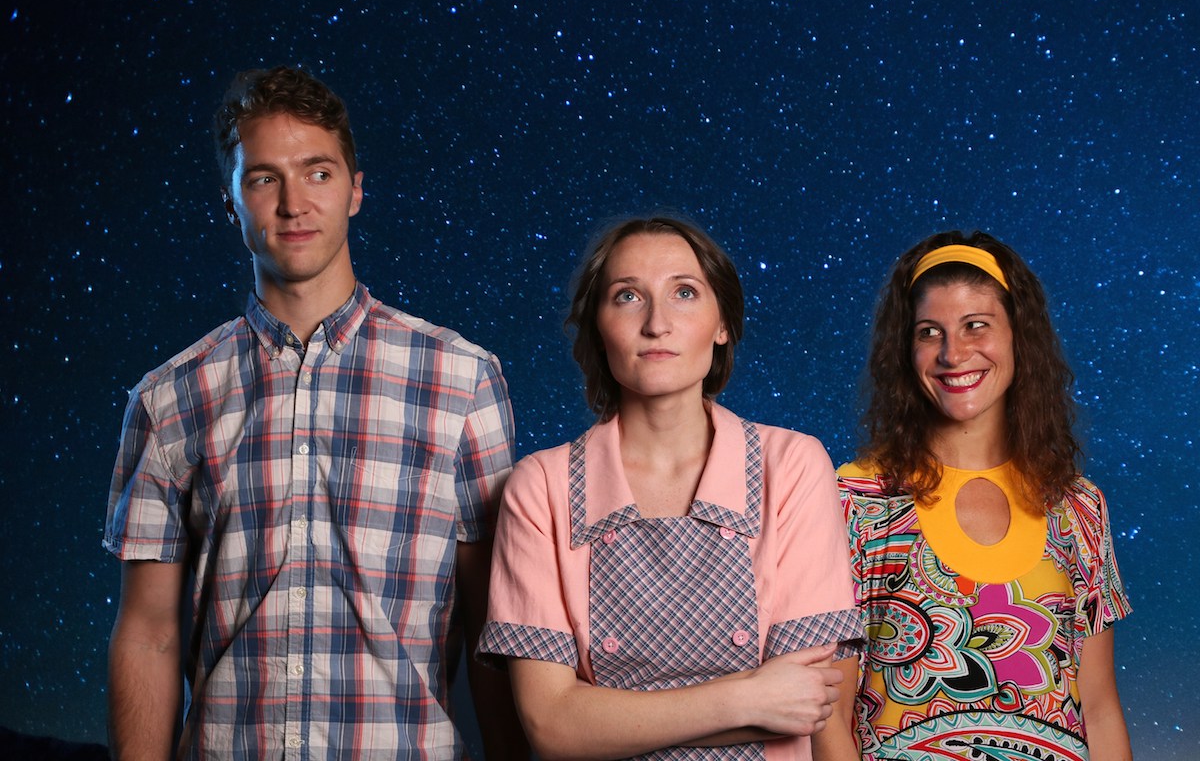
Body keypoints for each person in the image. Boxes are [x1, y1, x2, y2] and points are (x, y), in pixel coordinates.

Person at [103, 65, 525, 760]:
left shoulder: (463, 379)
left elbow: (491, 626)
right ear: (231, 203)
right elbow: (147, 631)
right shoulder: (168, 397)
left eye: (318, 173)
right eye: (264, 178)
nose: (294, 202)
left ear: (357, 190)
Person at [478, 215, 863, 759]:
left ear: (722, 323)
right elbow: (552, 727)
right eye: (628, 296)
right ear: (597, 327)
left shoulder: (792, 464)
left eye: (684, 292)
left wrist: (612, 714)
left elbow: (811, 708)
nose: (657, 323)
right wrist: (749, 700)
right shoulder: (541, 486)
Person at [836, 230, 1132, 760]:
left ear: (1019, 336)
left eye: (977, 325)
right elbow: (828, 718)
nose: (954, 353)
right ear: (906, 352)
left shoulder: (1080, 507)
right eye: (930, 332)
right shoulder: (854, 500)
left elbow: (1101, 707)